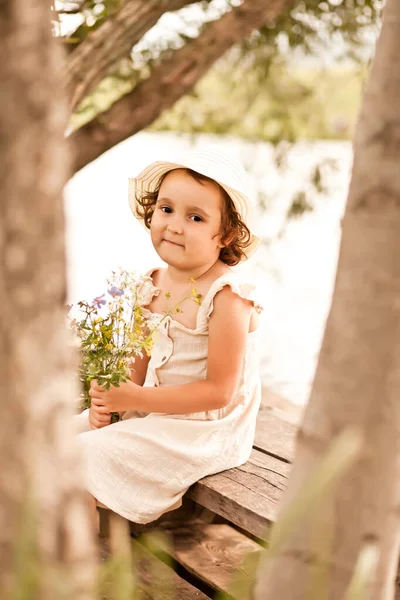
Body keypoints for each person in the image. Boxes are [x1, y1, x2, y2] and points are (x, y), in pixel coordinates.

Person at [75, 149, 263, 524]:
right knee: (44, 439)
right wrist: (109, 403)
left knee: (78, 455)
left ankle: (74, 566)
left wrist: (135, 397)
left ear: (224, 233)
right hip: (153, 408)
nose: (175, 225)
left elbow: (219, 392)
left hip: (205, 428)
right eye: (166, 209)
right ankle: (39, 548)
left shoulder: (227, 296)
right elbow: (134, 370)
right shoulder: (152, 285)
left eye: (195, 217)